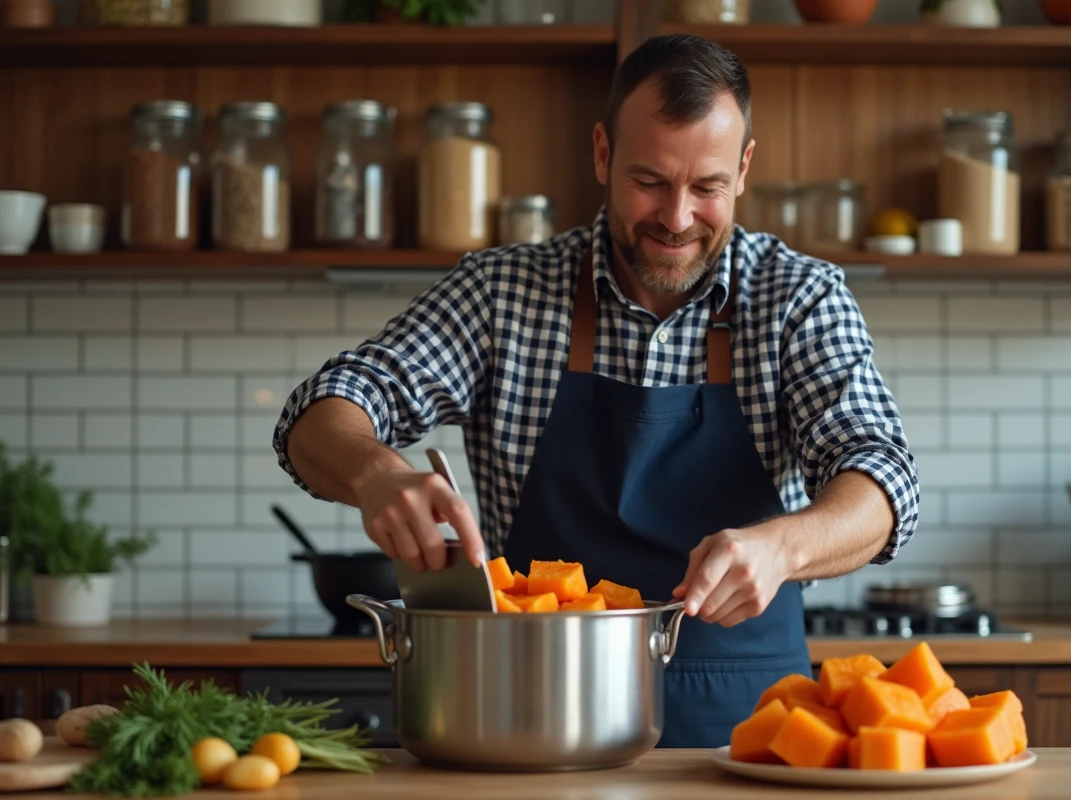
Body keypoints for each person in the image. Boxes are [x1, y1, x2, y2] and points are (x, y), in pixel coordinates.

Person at [273, 33, 919, 748]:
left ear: (742, 169)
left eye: (706, 187)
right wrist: (375, 474)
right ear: (603, 155)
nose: (677, 218)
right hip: (536, 730)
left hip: (750, 742)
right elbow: (321, 409)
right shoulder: (501, 295)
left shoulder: (798, 299)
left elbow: (882, 477)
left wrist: (784, 548)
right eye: (650, 181)